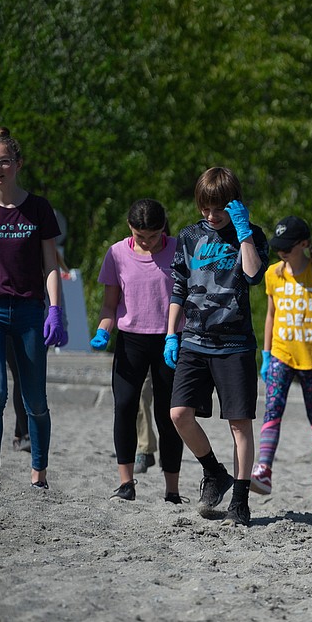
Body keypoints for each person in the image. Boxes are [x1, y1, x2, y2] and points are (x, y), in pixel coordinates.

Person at [164, 167, 268, 526]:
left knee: (239, 425)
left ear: (233, 203)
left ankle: (240, 499)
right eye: (205, 207)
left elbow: (254, 276)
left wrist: (243, 233)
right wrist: (170, 333)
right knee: (179, 414)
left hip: (235, 344)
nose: (211, 215)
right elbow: (178, 286)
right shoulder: (190, 235)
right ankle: (214, 472)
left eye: (218, 208)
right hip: (194, 339)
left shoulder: (250, 235)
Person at [0, 128, 67, 492]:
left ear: (18, 164)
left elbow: (50, 265)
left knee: (35, 399)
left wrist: (55, 309)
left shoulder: (38, 208)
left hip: (28, 309)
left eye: (4, 161)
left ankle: (38, 471)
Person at [90, 198, 185, 502]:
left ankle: (172, 489)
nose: (147, 242)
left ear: (163, 229)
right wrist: (103, 332)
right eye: (140, 236)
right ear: (131, 228)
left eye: (153, 236)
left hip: (169, 340)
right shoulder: (117, 254)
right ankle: (126, 482)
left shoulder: (178, 250)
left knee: (168, 414)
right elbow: (109, 305)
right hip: (131, 340)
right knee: (126, 406)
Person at [251, 216, 312, 499]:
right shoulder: (273, 274)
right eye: (279, 246)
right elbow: (271, 315)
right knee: (272, 409)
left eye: (288, 246)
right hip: (280, 352)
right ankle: (263, 471)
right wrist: (265, 353)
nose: (282, 251)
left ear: (304, 244)